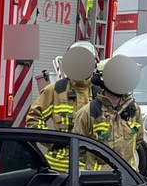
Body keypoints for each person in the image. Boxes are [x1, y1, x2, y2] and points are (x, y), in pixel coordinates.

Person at [27, 41, 97, 169]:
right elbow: (33, 119)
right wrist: (53, 141)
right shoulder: (56, 90)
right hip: (57, 169)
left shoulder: (100, 94)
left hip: (90, 171)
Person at [73, 57, 145, 170]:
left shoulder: (134, 110)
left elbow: (138, 139)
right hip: (99, 179)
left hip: (128, 178)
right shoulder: (88, 112)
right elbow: (78, 149)